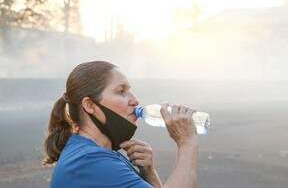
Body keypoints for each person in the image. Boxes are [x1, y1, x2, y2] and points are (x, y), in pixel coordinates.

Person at [43, 61, 198, 188]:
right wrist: (187, 143)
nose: (135, 100)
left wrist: (148, 173)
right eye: (121, 91)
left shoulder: (98, 153)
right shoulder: (89, 161)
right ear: (90, 105)